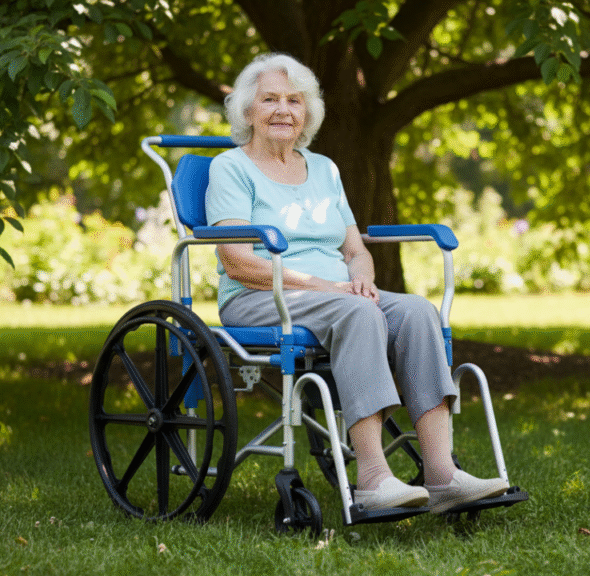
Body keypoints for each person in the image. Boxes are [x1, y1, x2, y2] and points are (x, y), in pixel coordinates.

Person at [205, 53, 509, 513]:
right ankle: (371, 478)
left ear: (308, 112)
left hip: (339, 295)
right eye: (269, 99)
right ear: (247, 110)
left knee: (416, 311)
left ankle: (442, 475)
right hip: (261, 296)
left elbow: (354, 251)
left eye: (294, 100)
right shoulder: (230, 168)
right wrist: (330, 290)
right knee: (358, 312)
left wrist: (362, 280)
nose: (283, 109)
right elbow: (238, 262)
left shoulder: (324, 169)